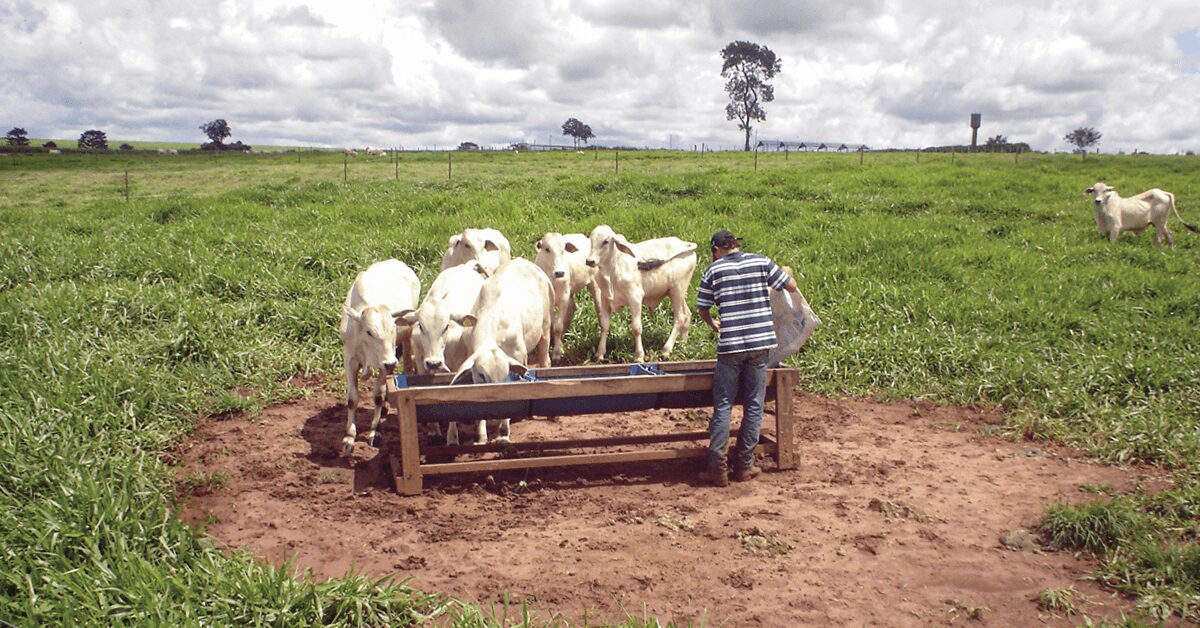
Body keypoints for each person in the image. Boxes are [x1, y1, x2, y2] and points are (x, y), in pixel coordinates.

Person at [696, 230, 799, 486]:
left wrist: (713, 325)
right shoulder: (761, 261)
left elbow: (702, 307)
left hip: (730, 347)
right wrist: (787, 272)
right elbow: (791, 286)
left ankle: (717, 468)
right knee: (754, 404)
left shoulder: (713, 271)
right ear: (736, 245)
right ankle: (744, 466)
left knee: (723, 405)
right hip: (760, 345)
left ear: (715, 250)